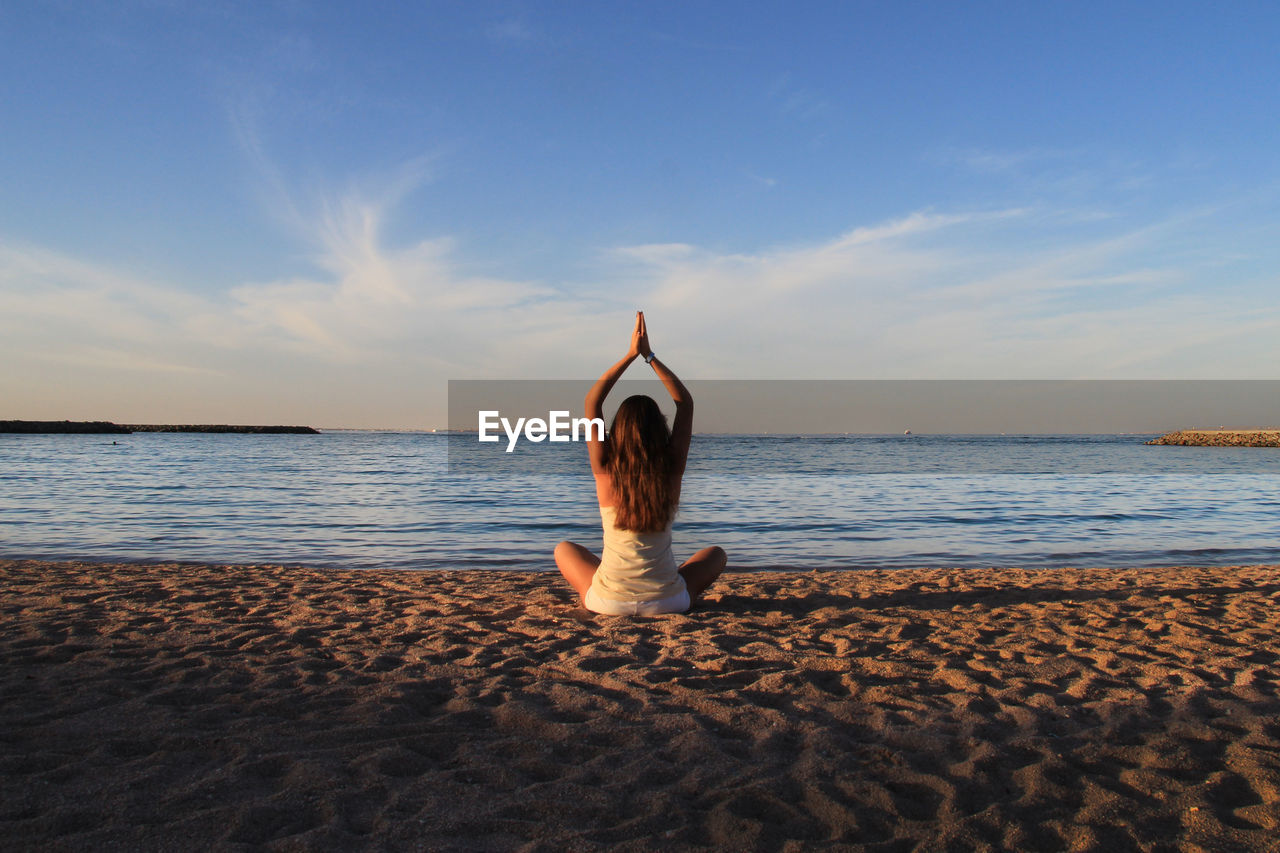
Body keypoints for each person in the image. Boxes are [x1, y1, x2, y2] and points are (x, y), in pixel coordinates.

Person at [554, 311, 726, 615]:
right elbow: (685, 403)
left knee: (564, 549)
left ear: (616, 431)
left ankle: (606, 591)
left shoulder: (605, 469)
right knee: (715, 555)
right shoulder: (671, 470)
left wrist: (630, 356)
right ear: (660, 428)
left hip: (607, 603)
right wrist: (650, 357)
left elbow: (592, 403)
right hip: (670, 602)